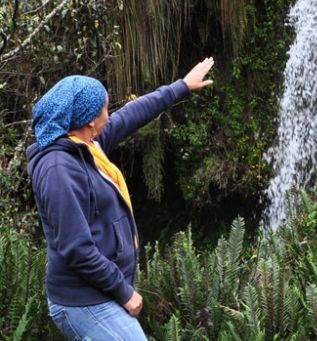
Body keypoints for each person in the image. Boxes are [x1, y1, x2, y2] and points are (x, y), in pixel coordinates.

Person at [26, 58, 215, 341]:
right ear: (90, 119)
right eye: (105, 107)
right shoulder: (59, 170)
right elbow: (75, 247)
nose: (109, 113)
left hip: (99, 291)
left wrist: (182, 86)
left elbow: (132, 114)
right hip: (84, 300)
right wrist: (123, 291)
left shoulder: (86, 145)